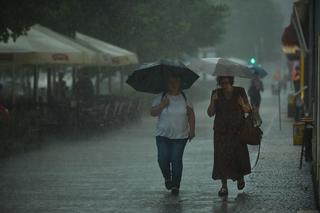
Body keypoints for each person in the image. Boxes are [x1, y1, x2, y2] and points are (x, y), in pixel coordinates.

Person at [150, 73, 195, 195]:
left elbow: (191, 114)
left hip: (180, 136)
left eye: (176, 82)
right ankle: (167, 177)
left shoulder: (185, 97)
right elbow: (153, 112)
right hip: (162, 135)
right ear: (167, 83)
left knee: (176, 159)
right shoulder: (161, 96)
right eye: (171, 82)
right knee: (162, 159)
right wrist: (162, 105)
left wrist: (192, 130)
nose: (174, 84)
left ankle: (176, 185)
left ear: (180, 83)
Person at [207, 76, 252, 196]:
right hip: (221, 131)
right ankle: (224, 186)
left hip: (237, 130)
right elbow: (210, 113)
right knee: (221, 157)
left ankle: (240, 178)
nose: (224, 85)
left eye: (226, 83)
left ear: (231, 81)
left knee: (239, 155)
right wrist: (212, 101)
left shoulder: (240, 91)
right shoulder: (216, 93)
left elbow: (248, 110)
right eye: (222, 83)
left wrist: (242, 104)